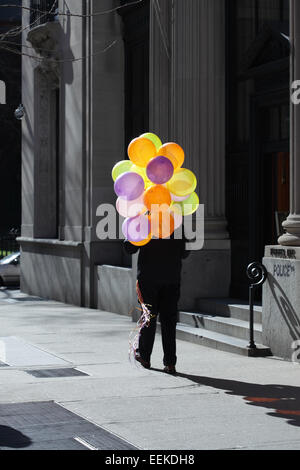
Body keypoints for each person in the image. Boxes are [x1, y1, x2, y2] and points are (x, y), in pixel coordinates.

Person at [124, 233, 189, 375]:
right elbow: (185, 252)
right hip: (171, 278)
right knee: (169, 321)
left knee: (149, 318)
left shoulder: (144, 223)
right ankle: (170, 363)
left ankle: (145, 356)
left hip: (148, 278)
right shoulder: (176, 223)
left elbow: (129, 248)